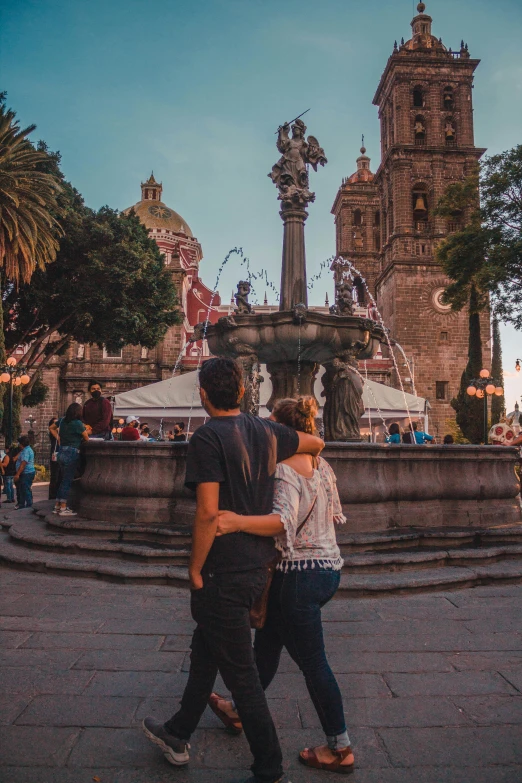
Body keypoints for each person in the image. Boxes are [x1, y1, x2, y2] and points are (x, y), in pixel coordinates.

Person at [142, 357, 324, 783]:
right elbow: (315, 445)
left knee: (242, 675)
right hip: (258, 566)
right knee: (206, 648)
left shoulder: (207, 438)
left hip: (223, 568)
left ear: (203, 394)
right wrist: (301, 465)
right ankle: (177, 732)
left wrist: (194, 569)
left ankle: (269, 766)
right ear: (242, 392)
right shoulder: (267, 430)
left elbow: (208, 513)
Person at [209, 396, 354, 774]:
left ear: (282, 430)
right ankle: (238, 710)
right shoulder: (322, 465)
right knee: (268, 644)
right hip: (328, 568)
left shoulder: (286, 468)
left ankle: (340, 747)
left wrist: (236, 521)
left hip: (298, 575)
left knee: (313, 663)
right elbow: (334, 513)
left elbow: (282, 522)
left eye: (271, 423)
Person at [51, 403, 89, 516]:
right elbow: (86, 437)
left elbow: (51, 427)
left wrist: (58, 437)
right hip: (72, 452)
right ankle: (63, 507)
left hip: (61, 451)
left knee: (63, 479)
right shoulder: (77, 423)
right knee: (67, 481)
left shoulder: (62, 421)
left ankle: (57, 505)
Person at [13, 435, 36, 509]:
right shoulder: (25, 450)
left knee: (26, 489)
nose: (18, 444)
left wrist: (17, 474)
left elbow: (23, 463)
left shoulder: (26, 451)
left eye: (19, 443)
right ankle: (22, 504)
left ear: (22, 443)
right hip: (26, 473)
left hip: (27, 473)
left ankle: (29, 505)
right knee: (22, 489)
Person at [48, 416, 61, 500]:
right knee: (55, 476)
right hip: (55, 454)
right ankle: (53, 496)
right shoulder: (54, 434)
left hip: (59, 454)